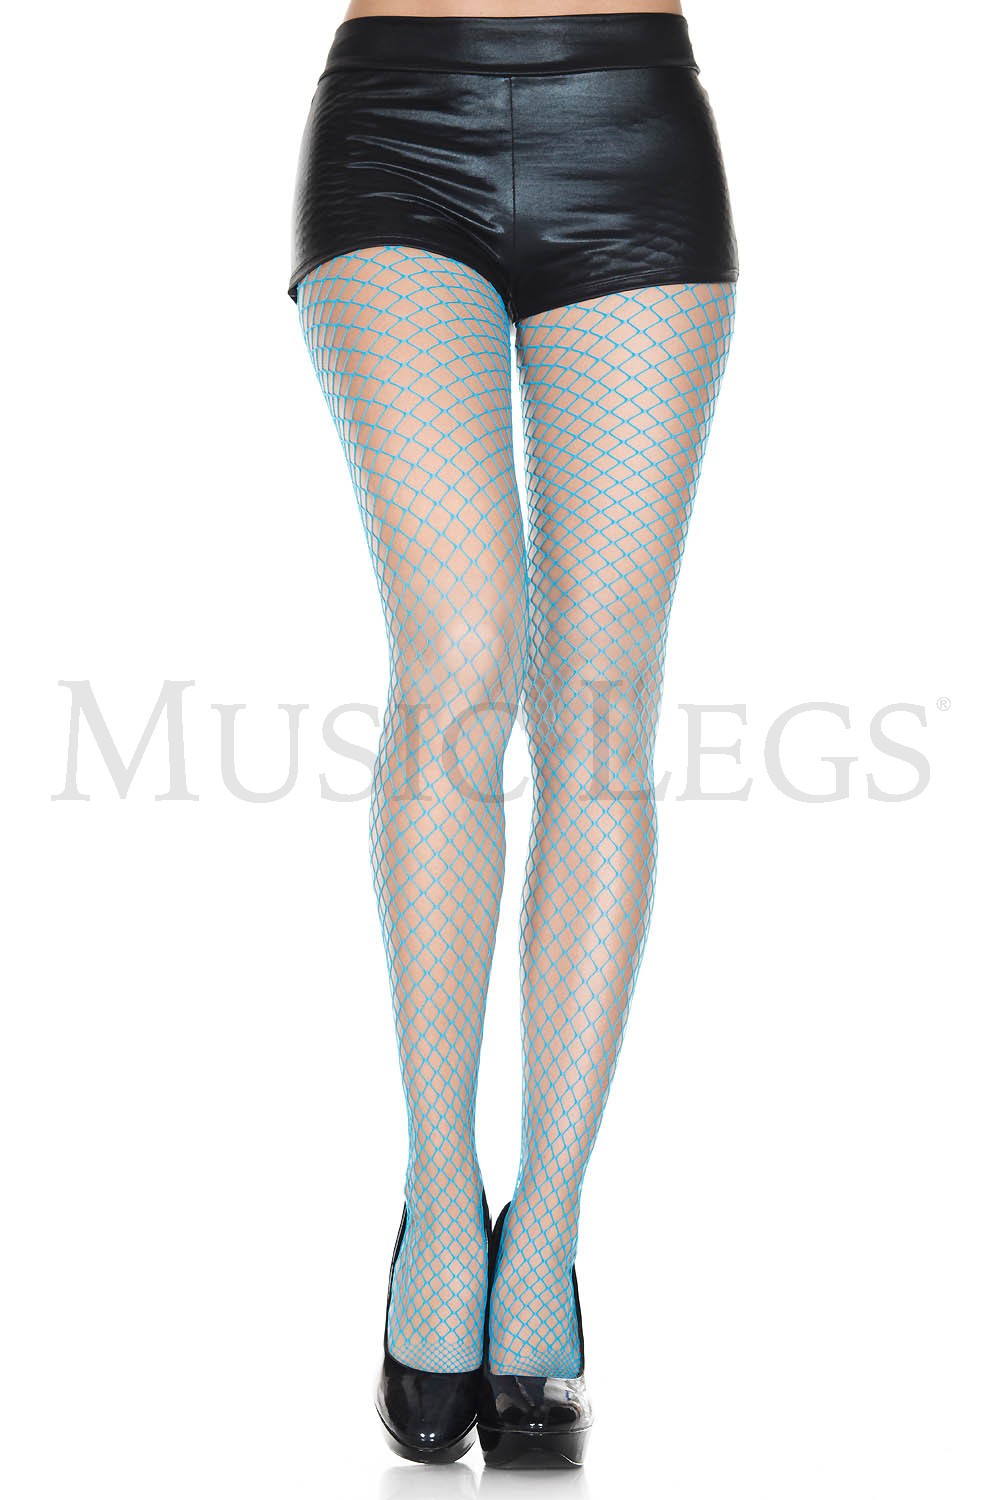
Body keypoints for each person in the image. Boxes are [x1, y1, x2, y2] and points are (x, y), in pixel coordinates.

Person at [288, 0, 737, 1468]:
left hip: (635, 127)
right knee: (460, 658)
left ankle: (544, 1229)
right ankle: (439, 1203)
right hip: (394, 125)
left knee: (601, 703)